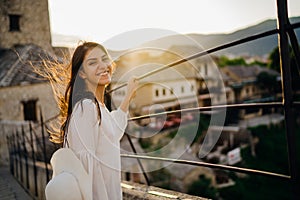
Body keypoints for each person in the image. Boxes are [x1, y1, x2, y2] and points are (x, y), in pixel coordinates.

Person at [44, 42, 138, 200]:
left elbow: (113, 131)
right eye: (92, 62)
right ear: (82, 73)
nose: (103, 65)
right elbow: (88, 174)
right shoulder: (86, 108)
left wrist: (128, 96)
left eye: (104, 59)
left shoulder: (97, 107)